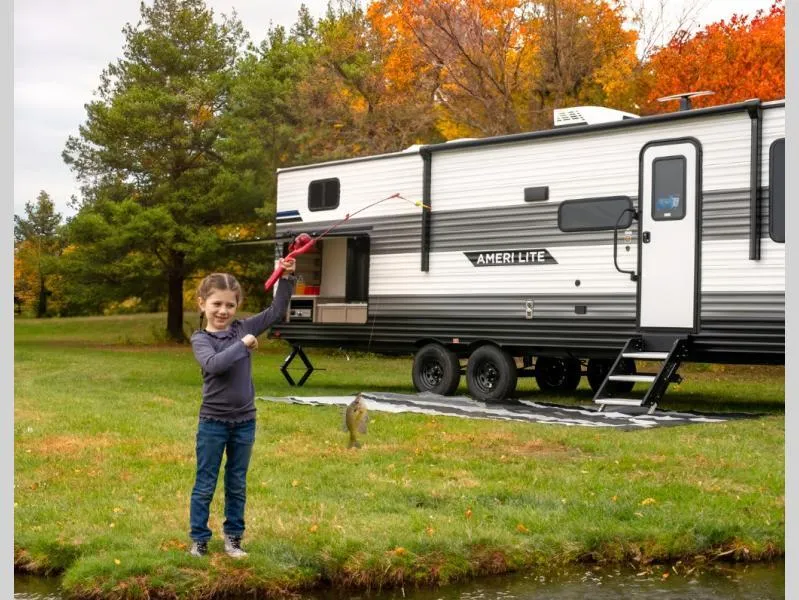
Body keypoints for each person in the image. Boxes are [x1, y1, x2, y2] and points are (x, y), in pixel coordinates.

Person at [188, 258, 297, 558]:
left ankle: (233, 539)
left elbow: (276, 311)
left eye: (230, 305)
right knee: (205, 482)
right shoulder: (201, 339)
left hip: (244, 422)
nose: (223, 311)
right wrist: (244, 345)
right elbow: (215, 365)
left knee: (236, 483)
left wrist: (286, 277)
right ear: (202, 304)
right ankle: (199, 540)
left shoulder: (244, 328)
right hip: (213, 423)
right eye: (216, 304)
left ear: (237, 307)